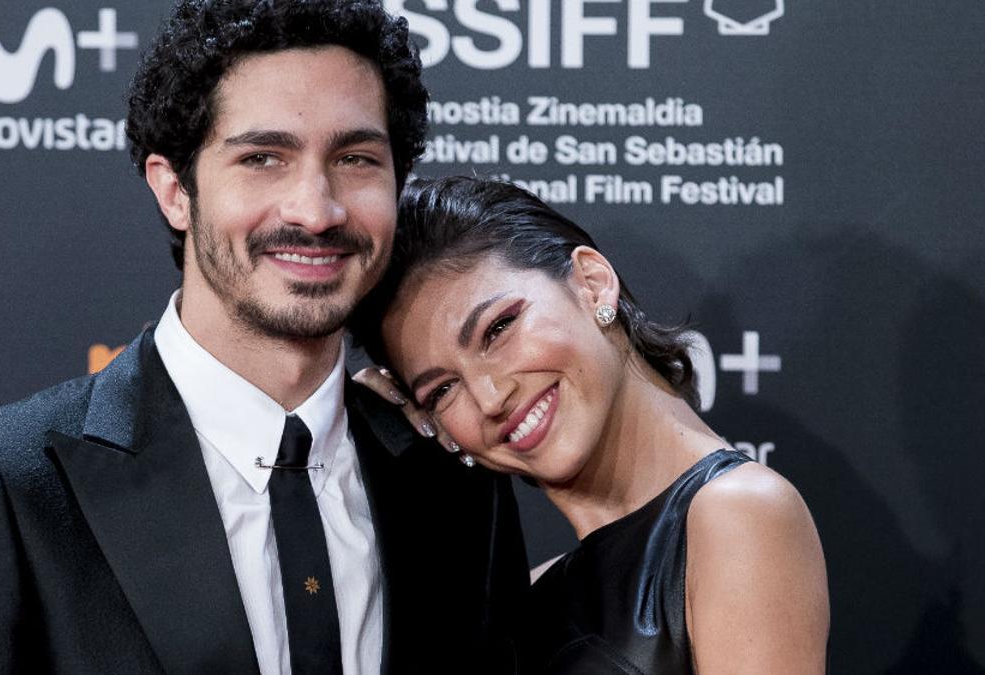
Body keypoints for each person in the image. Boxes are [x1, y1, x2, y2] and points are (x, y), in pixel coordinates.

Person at [0, 5, 528, 674]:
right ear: (174, 190)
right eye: (263, 158)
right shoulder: (6, 484)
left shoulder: (456, 482)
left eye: (357, 158)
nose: (316, 209)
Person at [352, 176, 829, 674]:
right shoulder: (527, 600)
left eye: (498, 329)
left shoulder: (737, 513)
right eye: (443, 390)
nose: (490, 399)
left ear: (591, 282)